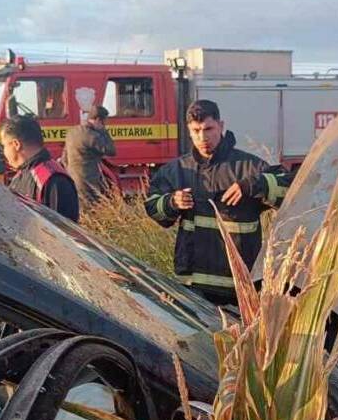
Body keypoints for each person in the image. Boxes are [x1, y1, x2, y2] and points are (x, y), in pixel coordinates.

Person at [145, 100, 293, 306]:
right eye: (196, 131)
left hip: (240, 285)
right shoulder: (177, 170)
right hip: (193, 284)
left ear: (221, 126)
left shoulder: (250, 167)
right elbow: (152, 207)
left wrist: (254, 184)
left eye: (208, 129)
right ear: (189, 130)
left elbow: (291, 192)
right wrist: (171, 202)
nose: (203, 137)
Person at [0, 115, 80, 221]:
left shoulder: (54, 181)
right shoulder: (21, 175)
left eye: (4, 146)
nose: (4, 152)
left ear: (16, 144)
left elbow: (61, 233)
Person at [64, 105, 117, 212]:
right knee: (92, 211)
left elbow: (64, 158)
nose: (104, 125)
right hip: (88, 181)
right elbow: (111, 150)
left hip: (73, 178)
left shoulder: (72, 132)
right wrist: (104, 131)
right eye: (104, 122)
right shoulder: (92, 136)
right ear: (98, 120)